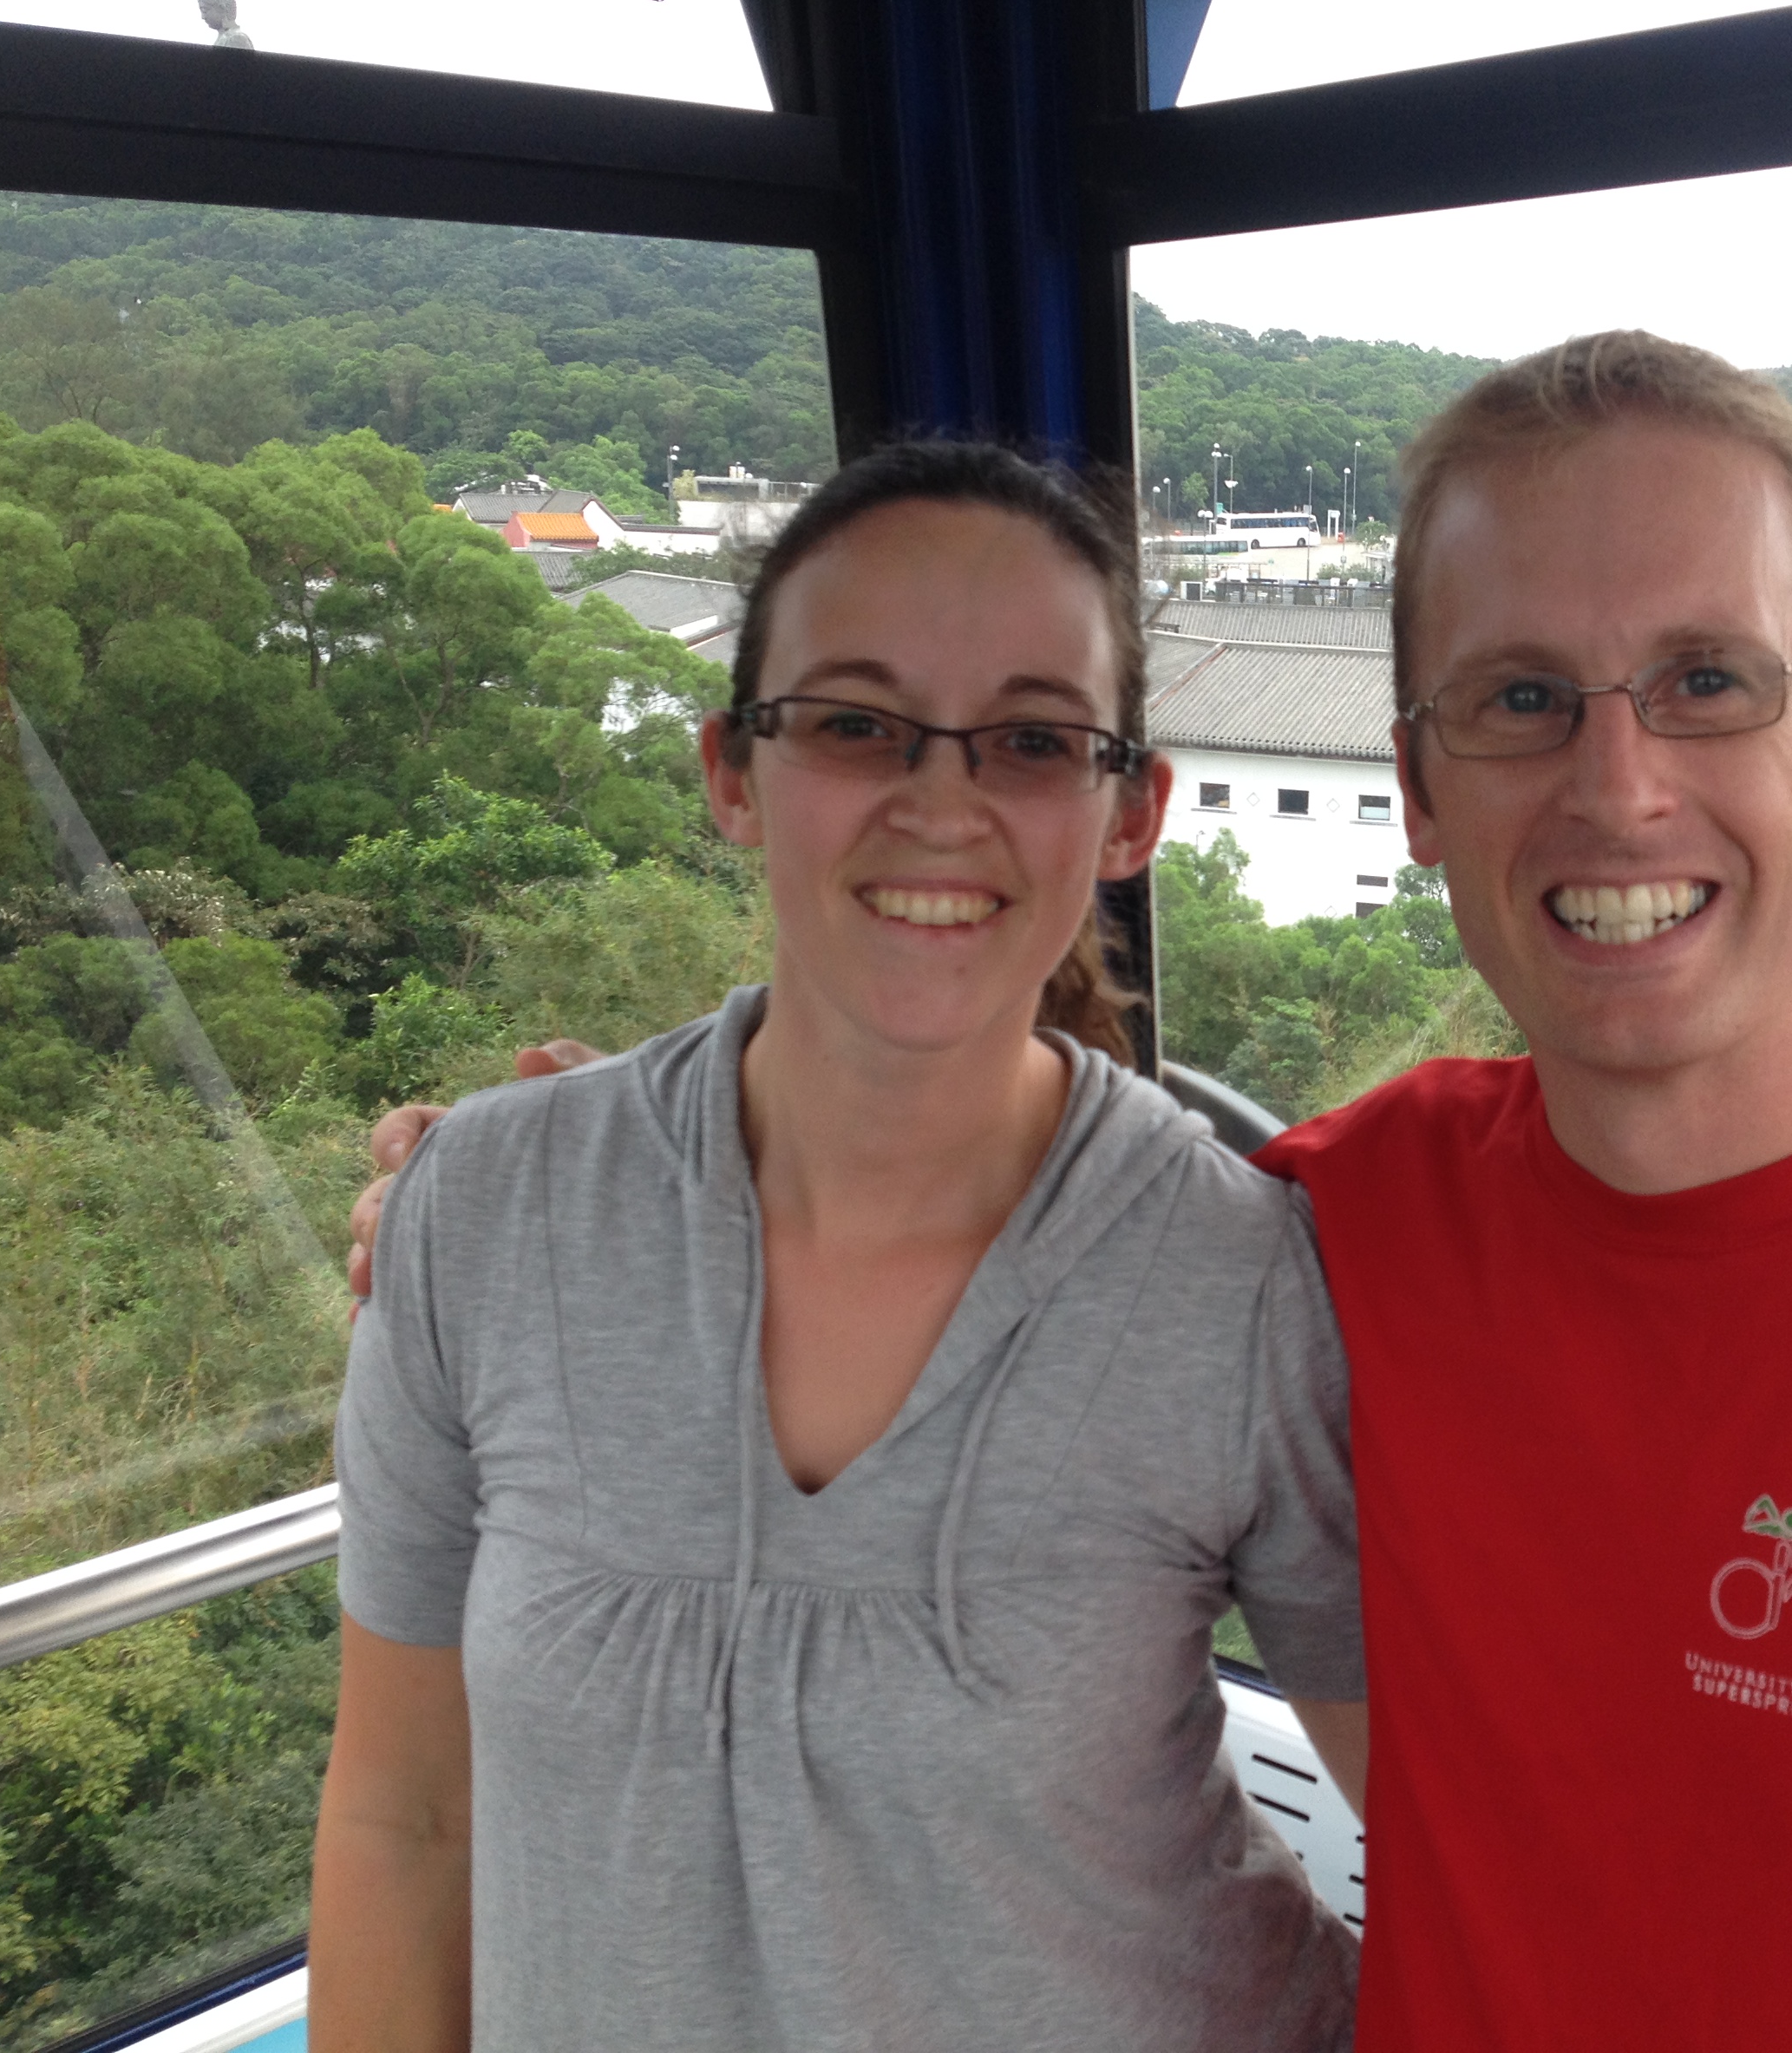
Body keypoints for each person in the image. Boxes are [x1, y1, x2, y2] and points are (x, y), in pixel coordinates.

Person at [356, 342, 1792, 2050]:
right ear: (1418, 785)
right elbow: (927, 1141)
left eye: (1708, 681)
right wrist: (532, 1183)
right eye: (1522, 699)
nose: (1618, 781)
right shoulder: (1352, 1226)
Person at [316, 442, 1366, 2053]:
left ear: (1129, 814)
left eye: (1034, 740)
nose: (940, 804)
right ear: (733, 771)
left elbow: (1466, 1833)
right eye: (857, 724)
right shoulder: (492, 1215)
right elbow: (408, 1819)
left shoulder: (1239, 1282)